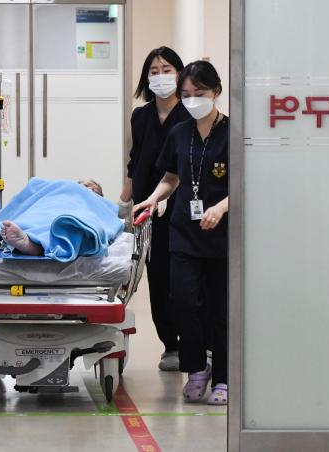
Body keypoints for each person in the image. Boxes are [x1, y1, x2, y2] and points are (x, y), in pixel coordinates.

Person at [134, 60, 229, 405]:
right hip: (183, 233)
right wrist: (152, 198)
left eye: (199, 93)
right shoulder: (179, 133)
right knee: (184, 303)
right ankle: (196, 369)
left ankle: (223, 378)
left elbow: (246, 183)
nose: (191, 100)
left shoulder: (231, 133)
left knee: (220, 310)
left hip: (221, 236)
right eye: (186, 94)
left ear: (216, 92)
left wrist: (221, 207)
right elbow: (171, 178)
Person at [118, 46, 190, 371]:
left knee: (185, 278)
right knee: (157, 277)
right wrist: (124, 199)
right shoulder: (141, 116)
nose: (161, 76)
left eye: (167, 69)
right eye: (154, 71)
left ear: (180, 73)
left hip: (184, 207)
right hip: (148, 208)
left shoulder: (190, 114)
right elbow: (137, 162)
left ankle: (195, 341)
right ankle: (170, 345)